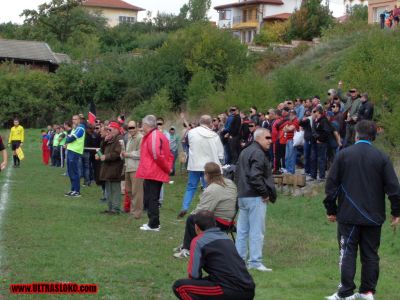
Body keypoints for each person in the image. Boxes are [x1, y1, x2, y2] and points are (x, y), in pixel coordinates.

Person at [324, 120, 400, 300]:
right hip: (373, 217)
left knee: (347, 252)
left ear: (356, 134)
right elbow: (394, 188)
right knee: (370, 254)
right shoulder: (382, 157)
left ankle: (346, 292)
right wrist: (396, 212)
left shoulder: (344, 155)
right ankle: (367, 292)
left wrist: (331, 209)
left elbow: (331, 185)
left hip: (349, 215)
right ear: (374, 136)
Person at [172, 210, 255, 300]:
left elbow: (194, 275)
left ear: (196, 227)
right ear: (215, 224)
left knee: (179, 287)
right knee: (208, 281)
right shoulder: (226, 238)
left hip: (230, 288)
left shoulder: (199, 241)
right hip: (249, 289)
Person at [174, 162, 237, 258]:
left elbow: (203, 210)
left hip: (221, 222)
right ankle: (187, 245)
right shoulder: (229, 183)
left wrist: (193, 213)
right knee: (195, 217)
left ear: (207, 175)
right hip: (230, 220)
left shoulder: (212, 189)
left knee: (192, 219)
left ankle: (187, 249)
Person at [235, 128, 277, 272]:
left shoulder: (245, 151)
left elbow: (239, 174)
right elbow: (255, 176)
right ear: (258, 138)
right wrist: (264, 193)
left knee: (242, 231)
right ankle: (255, 262)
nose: (270, 141)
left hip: (243, 195)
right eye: (267, 137)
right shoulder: (258, 153)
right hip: (254, 196)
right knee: (256, 231)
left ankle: (239, 262)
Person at [178, 115, 224, 218]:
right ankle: (205, 208)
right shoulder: (214, 135)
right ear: (210, 123)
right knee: (208, 188)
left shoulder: (191, 133)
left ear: (200, 122)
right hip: (209, 166)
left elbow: (188, 144)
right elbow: (220, 152)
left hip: (195, 164)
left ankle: (185, 207)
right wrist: (221, 162)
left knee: (191, 187)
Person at [136, 115, 173, 231]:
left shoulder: (154, 135)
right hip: (153, 171)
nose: (142, 127)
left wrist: (167, 168)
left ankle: (153, 224)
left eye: (143, 125)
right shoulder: (155, 135)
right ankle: (153, 222)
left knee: (152, 198)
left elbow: (157, 154)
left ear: (147, 125)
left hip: (154, 172)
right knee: (151, 198)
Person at [98, 121, 124, 215]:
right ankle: (110, 208)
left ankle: (116, 209)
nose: (108, 131)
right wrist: (105, 141)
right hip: (108, 168)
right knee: (108, 189)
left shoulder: (119, 138)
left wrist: (106, 156)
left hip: (115, 167)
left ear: (116, 129)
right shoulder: (111, 138)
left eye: (110, 129)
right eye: (108, 129)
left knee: (115, 189)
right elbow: (102, 149)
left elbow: (118, 153)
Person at [121, 120, 144, 219]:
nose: (131, 130)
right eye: (129, 128)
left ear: (137, 127)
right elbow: (127, 152)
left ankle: (137, 213)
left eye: (133, 127)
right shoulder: (129, 138)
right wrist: (124, 154)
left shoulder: (140, 137)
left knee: (137, 192)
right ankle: (132, 210)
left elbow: (141, 153)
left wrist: (128, 154)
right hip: (128, 167)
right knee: (129, 191)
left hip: (136, 168)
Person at [64, 115, 86, 197]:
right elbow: (68, 137)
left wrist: (67, 140)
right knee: (70, 171)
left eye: (75, 119)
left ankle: (77, 191)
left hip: (75, 151)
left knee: (74, 171)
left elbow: (70, 138)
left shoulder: (81, 128)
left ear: (79, 120)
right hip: (70, 150)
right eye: (73, 119)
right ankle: (73, 189)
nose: (74, 121)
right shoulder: (75, 128)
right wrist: (68, 139)